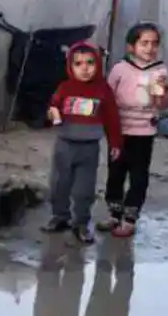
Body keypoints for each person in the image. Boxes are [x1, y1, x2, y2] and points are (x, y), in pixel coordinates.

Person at [42, 40, 121, 244]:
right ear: (70, 66)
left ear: (98, 64)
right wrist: (52, 114)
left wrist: (116, 143)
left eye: (89, 63)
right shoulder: (65, 87)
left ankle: (81, 223)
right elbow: (52, 107)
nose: (84, 68)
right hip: (64, 145)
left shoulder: (103, 89)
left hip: (89, 148)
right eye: (78, 64)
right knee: (59, 184)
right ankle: (60, 216)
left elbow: (112, 118)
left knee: (84, 189)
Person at [98, 23, 168, 238]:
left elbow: (162, 104)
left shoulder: (160, 70)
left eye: (154, 44)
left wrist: (162, 93)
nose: (150, 48)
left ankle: (130, 218)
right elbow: (107, 96)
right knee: (116, 172)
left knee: (139, 176)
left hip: (144, 132)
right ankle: (114, 213)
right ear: (132, 46)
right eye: (144, 43)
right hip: (119, 131)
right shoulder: (121, 68)